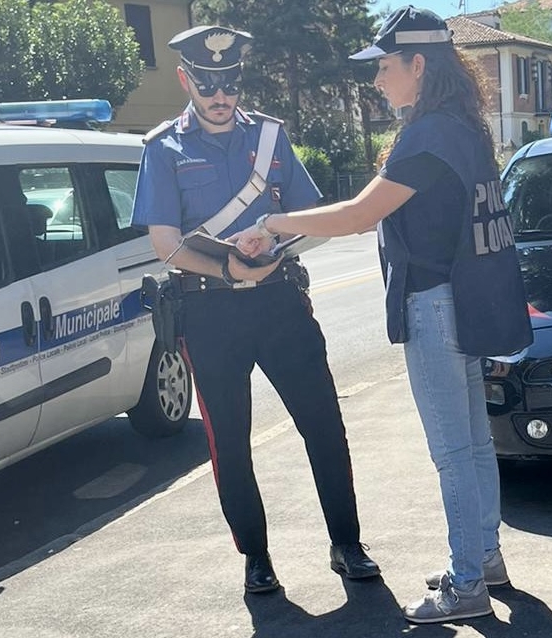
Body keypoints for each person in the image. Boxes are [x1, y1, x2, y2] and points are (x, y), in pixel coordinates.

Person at [233, 5, 532, 623]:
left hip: (436, 304)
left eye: (385, 67)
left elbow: (355, 217)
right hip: (467, 300)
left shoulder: (428, 137)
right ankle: (485, 555)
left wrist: (272, 221)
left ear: (418, 65)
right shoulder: (465, 127)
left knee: (453, 450)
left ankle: (467, 583)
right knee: (475, 444)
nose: (377, 80)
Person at [130, 24, 379, 595]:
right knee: (230, 441)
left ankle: (346, 543)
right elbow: (164, 241)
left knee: (323, 424)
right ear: (186, 79)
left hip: (279, 302)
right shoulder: (162, 147)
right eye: (209, 85)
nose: (222, 97)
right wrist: (227, 268)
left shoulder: (270, 137)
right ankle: (256, 558)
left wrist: (273, 245)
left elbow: (307, 218)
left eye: (231, 84)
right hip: (210, 313)